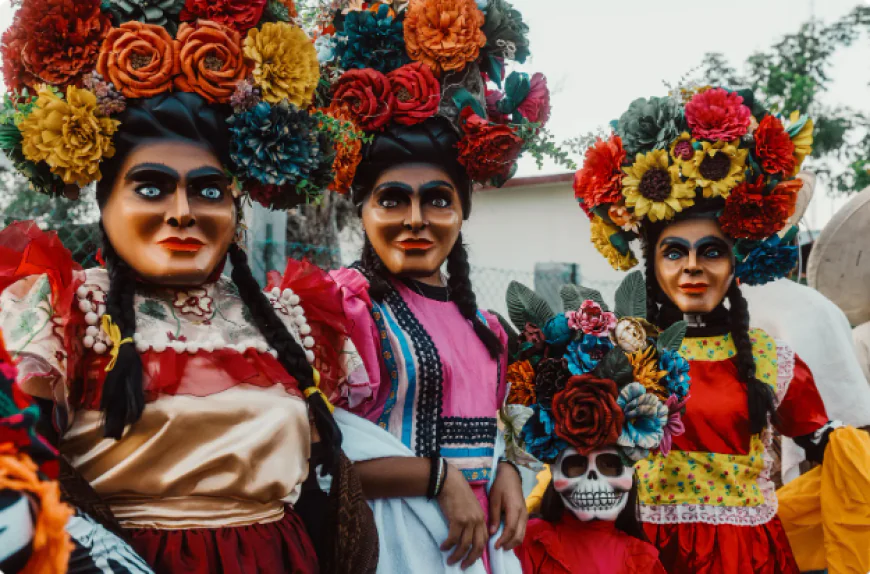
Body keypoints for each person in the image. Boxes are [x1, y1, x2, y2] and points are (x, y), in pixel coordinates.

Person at [0, 2, 376, 572]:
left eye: (207, 190)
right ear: (105, 207)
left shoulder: (292, 316)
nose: (182, 212)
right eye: (151, 189)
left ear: (235, 208)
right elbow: (15, 477)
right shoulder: (62, 311)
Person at [309, 0, 561, 570]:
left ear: (463, 210)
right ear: (363, 209)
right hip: (389, 546)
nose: (416, 218)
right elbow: (317, 459)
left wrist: (505, 473)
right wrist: (437, 477)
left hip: (476, 550)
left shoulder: (487, 326)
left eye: (438, 200)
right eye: (393, 199)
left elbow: (492, 435)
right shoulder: (344, 309)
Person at [571, 85, 857, 573]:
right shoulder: (616, 353)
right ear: (653, 263)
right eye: (674, 251)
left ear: (734, 261)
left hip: (747, 557)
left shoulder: (773, 361)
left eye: (712, 251)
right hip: (644, 553)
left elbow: (837, 454)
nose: (692, 268)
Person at [499, 279, 671, 573]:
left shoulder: (643, 560)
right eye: (576, 465)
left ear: (631, 471)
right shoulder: (527, 543)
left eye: (609, 465)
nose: (593, 480)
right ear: (553, 470)